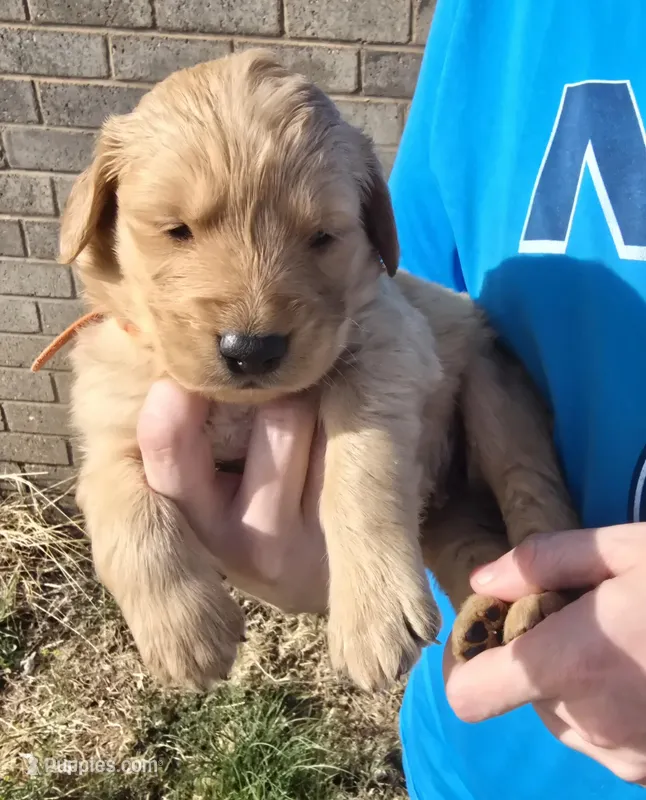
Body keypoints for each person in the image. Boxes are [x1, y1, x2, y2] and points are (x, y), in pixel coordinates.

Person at [135, 1, 646, 796]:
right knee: (462, 540)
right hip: (471, 764)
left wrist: (362, 533)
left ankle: (536, 573)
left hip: (478, 424)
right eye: (177, 232)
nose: (252, 313)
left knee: (494, 413)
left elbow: (396, 341)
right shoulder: (495, 20)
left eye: (318, 238)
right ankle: (495, 589)